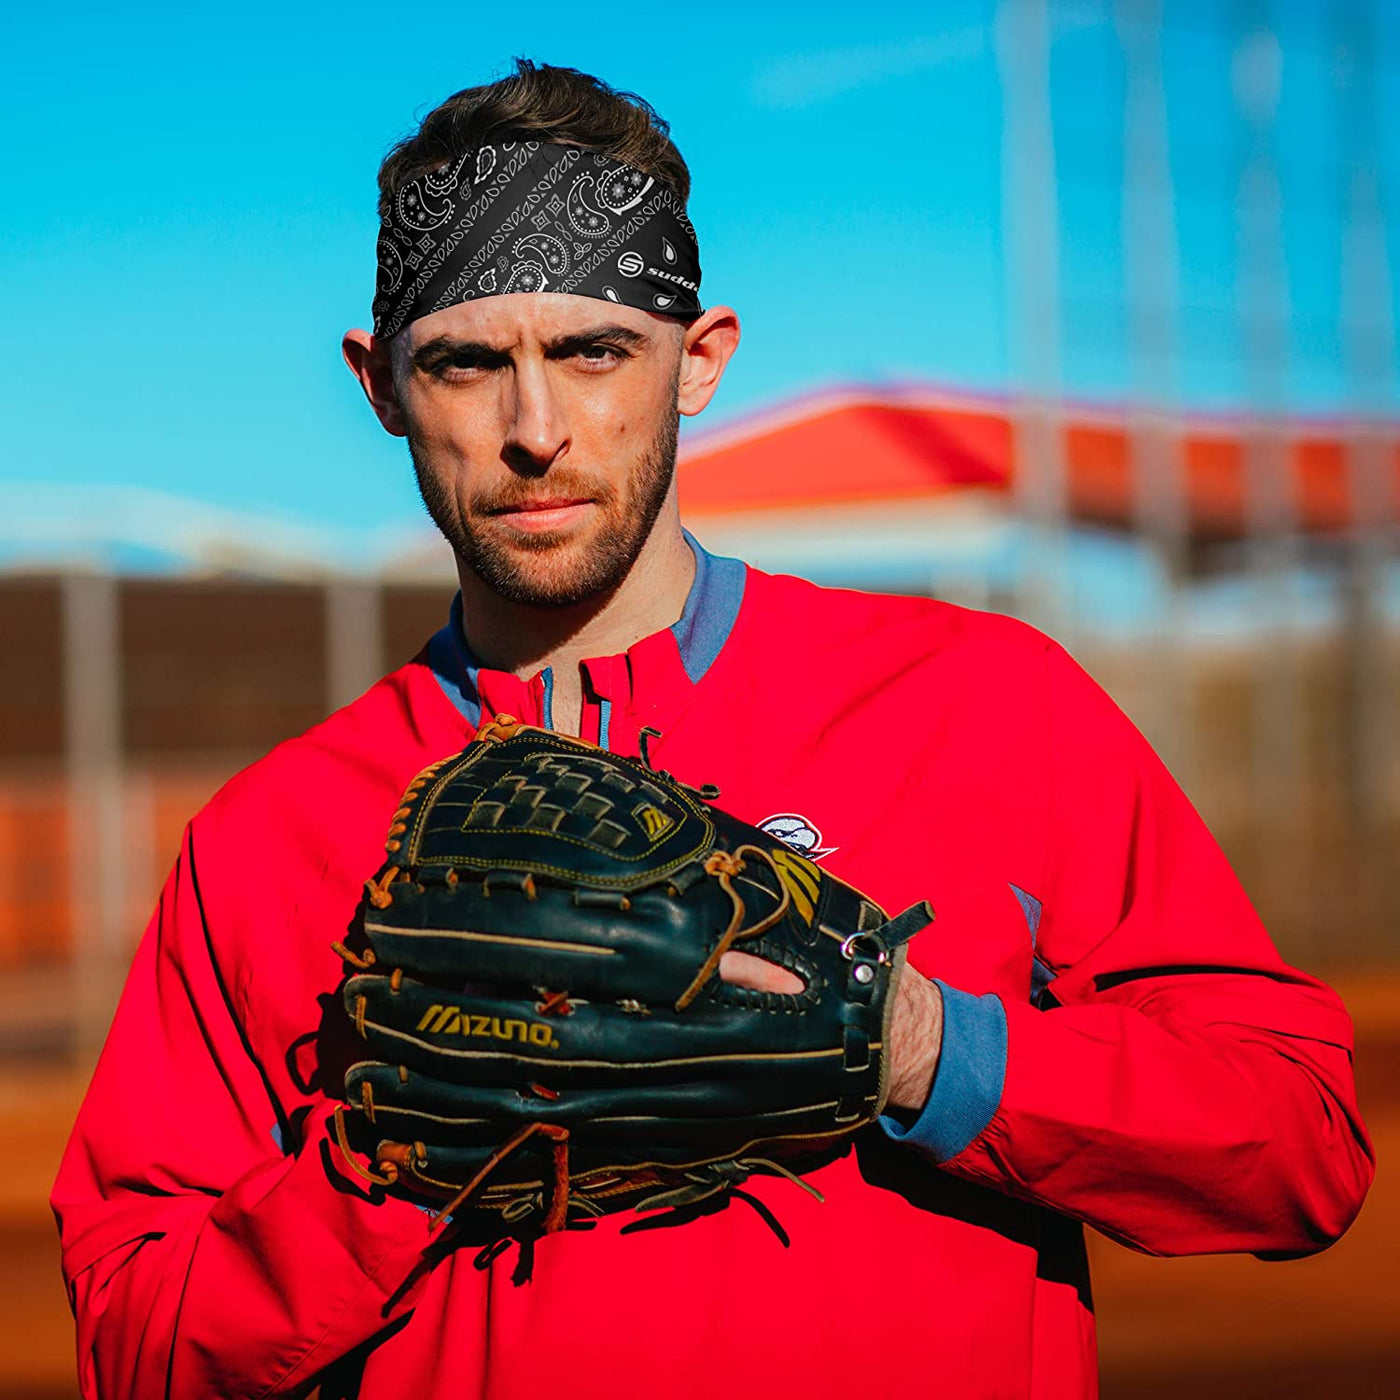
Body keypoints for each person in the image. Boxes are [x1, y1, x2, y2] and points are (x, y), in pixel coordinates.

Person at [52, 59, 1373, 1400]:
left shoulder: (984, 701)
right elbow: (134, 1336)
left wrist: (924, 1044)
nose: (533, 429)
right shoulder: (271, 835)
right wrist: (383, 1164)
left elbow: (1301, 1146)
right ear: (381, 384)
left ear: (698, 361)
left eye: (593, 351)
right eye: (464, 362)